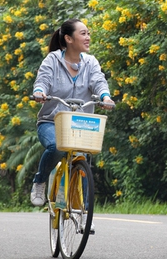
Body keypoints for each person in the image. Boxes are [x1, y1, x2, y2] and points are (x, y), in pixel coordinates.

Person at [30, 19, 114, 221]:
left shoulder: (90, 62)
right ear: (68, 38)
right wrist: (39, 92)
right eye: (83, 33)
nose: (88, 37)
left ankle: (80, 207)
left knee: (81, 158)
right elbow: (43, 80)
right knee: (57, 147)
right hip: (51, 121)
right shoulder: (52, 60)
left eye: (88, 33)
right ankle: (40, 181)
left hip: (81, 123)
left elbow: (98, 81)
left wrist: (105, 97)